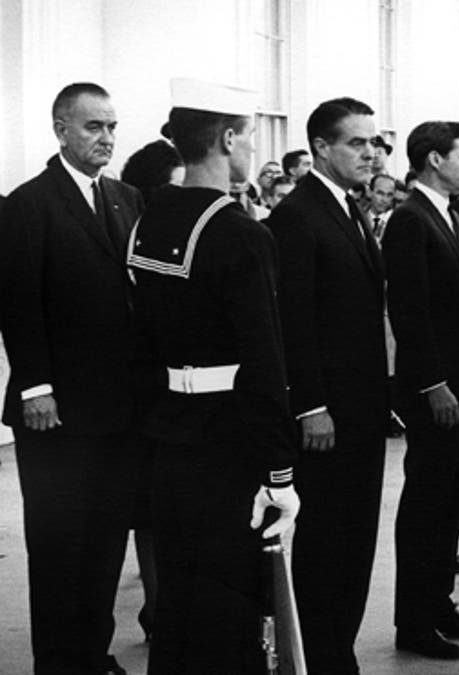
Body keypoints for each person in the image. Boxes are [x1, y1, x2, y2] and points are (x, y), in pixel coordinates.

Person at [126, 77, 299, 673]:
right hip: (229, 442)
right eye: (248, 138)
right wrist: (279, 474)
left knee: (179, 601)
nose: (251, 152)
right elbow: (265, 360)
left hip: (171, 434)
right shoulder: (239, 232)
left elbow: (142, 339)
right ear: (227, 139)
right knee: (231, 607)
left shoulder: (152, 219)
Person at [0, 82, 146, 675]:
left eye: (111, 126)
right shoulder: (28, 203)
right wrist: (36, 386)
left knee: (107, 539)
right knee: (60, 544)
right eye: (93, 127)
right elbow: (16, 300)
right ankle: (58, 662)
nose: (106, 138)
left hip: (118, 408)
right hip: (55, 410)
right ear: (61, 129)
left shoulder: (128, 198)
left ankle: (92, 651)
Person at [267, 97, 389, 674]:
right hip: (329, 416)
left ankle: (339, 650)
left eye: (375, 142)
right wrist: (311, 404)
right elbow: (295, 320)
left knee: (355, 539)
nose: (372, 153)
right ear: (321, 147)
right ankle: (323, 655)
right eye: (357, 143)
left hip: (362, 410)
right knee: (327, 543)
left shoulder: (348, 208)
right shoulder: (299, 215)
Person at [385, 120, 459, 661]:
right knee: (427, 502)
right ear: (433, 159)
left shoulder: (448, 213)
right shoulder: (410, 220)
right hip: (437, 387)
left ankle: (439, 601)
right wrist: (434, 384)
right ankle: (414, 619)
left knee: (450, 499)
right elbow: (411, 311)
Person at [120, 136, 187, 642]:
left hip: (175, 390)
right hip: (144, 390)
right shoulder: (137, 234)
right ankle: (160, 608)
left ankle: (168, 605)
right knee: (151, 507)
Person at [366, 173, 397, 243]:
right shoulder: (358, 216)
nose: (384, 200)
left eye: (389, 195)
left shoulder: (397, 222)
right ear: (370, 192)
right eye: (380, 193)